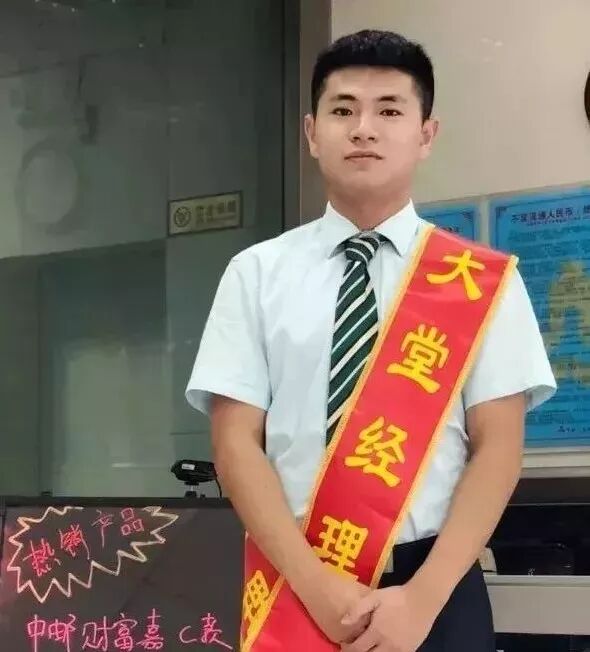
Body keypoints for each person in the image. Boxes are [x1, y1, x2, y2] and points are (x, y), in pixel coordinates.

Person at [186, 29, 556, 652]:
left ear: (426, 134)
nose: (363, 129)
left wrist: (423, 600)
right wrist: (314, 586)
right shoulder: (255, 274)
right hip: (293, 579)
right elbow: (234, 443)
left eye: (389, 110)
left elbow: (499, 449)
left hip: (435, 586)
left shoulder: (481, 280)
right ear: (312, 133)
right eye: (343, 110)